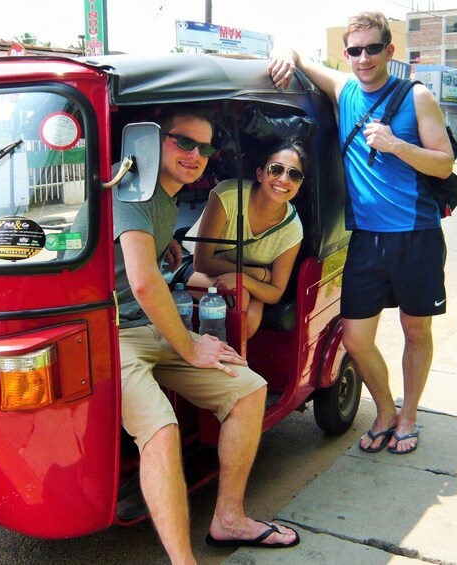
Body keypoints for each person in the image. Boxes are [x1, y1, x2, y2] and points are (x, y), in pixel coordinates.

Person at [112, 107, 299, 562]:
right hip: (112, 332)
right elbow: (141, 282)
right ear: (153, 142)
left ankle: (228, 518)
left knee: (249, 389)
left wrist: (164, 246)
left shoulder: (164, 198)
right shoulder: (130, 192)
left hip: (148, 324)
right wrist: (191, 345)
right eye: (183, 142)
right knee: (161, 431)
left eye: (204, 147)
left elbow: (147, 267)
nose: (194, 154)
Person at [268, 11, 454, 455]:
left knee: (415, 332)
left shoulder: (417, 96)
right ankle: (385, 410)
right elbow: (296, 56)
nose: (364, 57)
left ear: (390, 50)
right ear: (347, 53)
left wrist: (396, 145)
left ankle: (409, 417)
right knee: (355, 337)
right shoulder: (345, 89)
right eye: (355, 50)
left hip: (416, 234)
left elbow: (444, 161)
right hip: (366, 240)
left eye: (373, 48)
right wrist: (281, 53)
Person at [182, 139, 306, 338]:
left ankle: (232, 363)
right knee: (239, 298)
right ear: (260, 173)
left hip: (243, 279)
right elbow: (202, 261)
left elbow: (275, 292)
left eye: (294, 174)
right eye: (275, 169)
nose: (284, 179)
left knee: (250, 320)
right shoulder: (228, 195)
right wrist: (258, 275)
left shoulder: (292, 229)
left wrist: (244, 279)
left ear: (299, 184)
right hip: (197, 266)